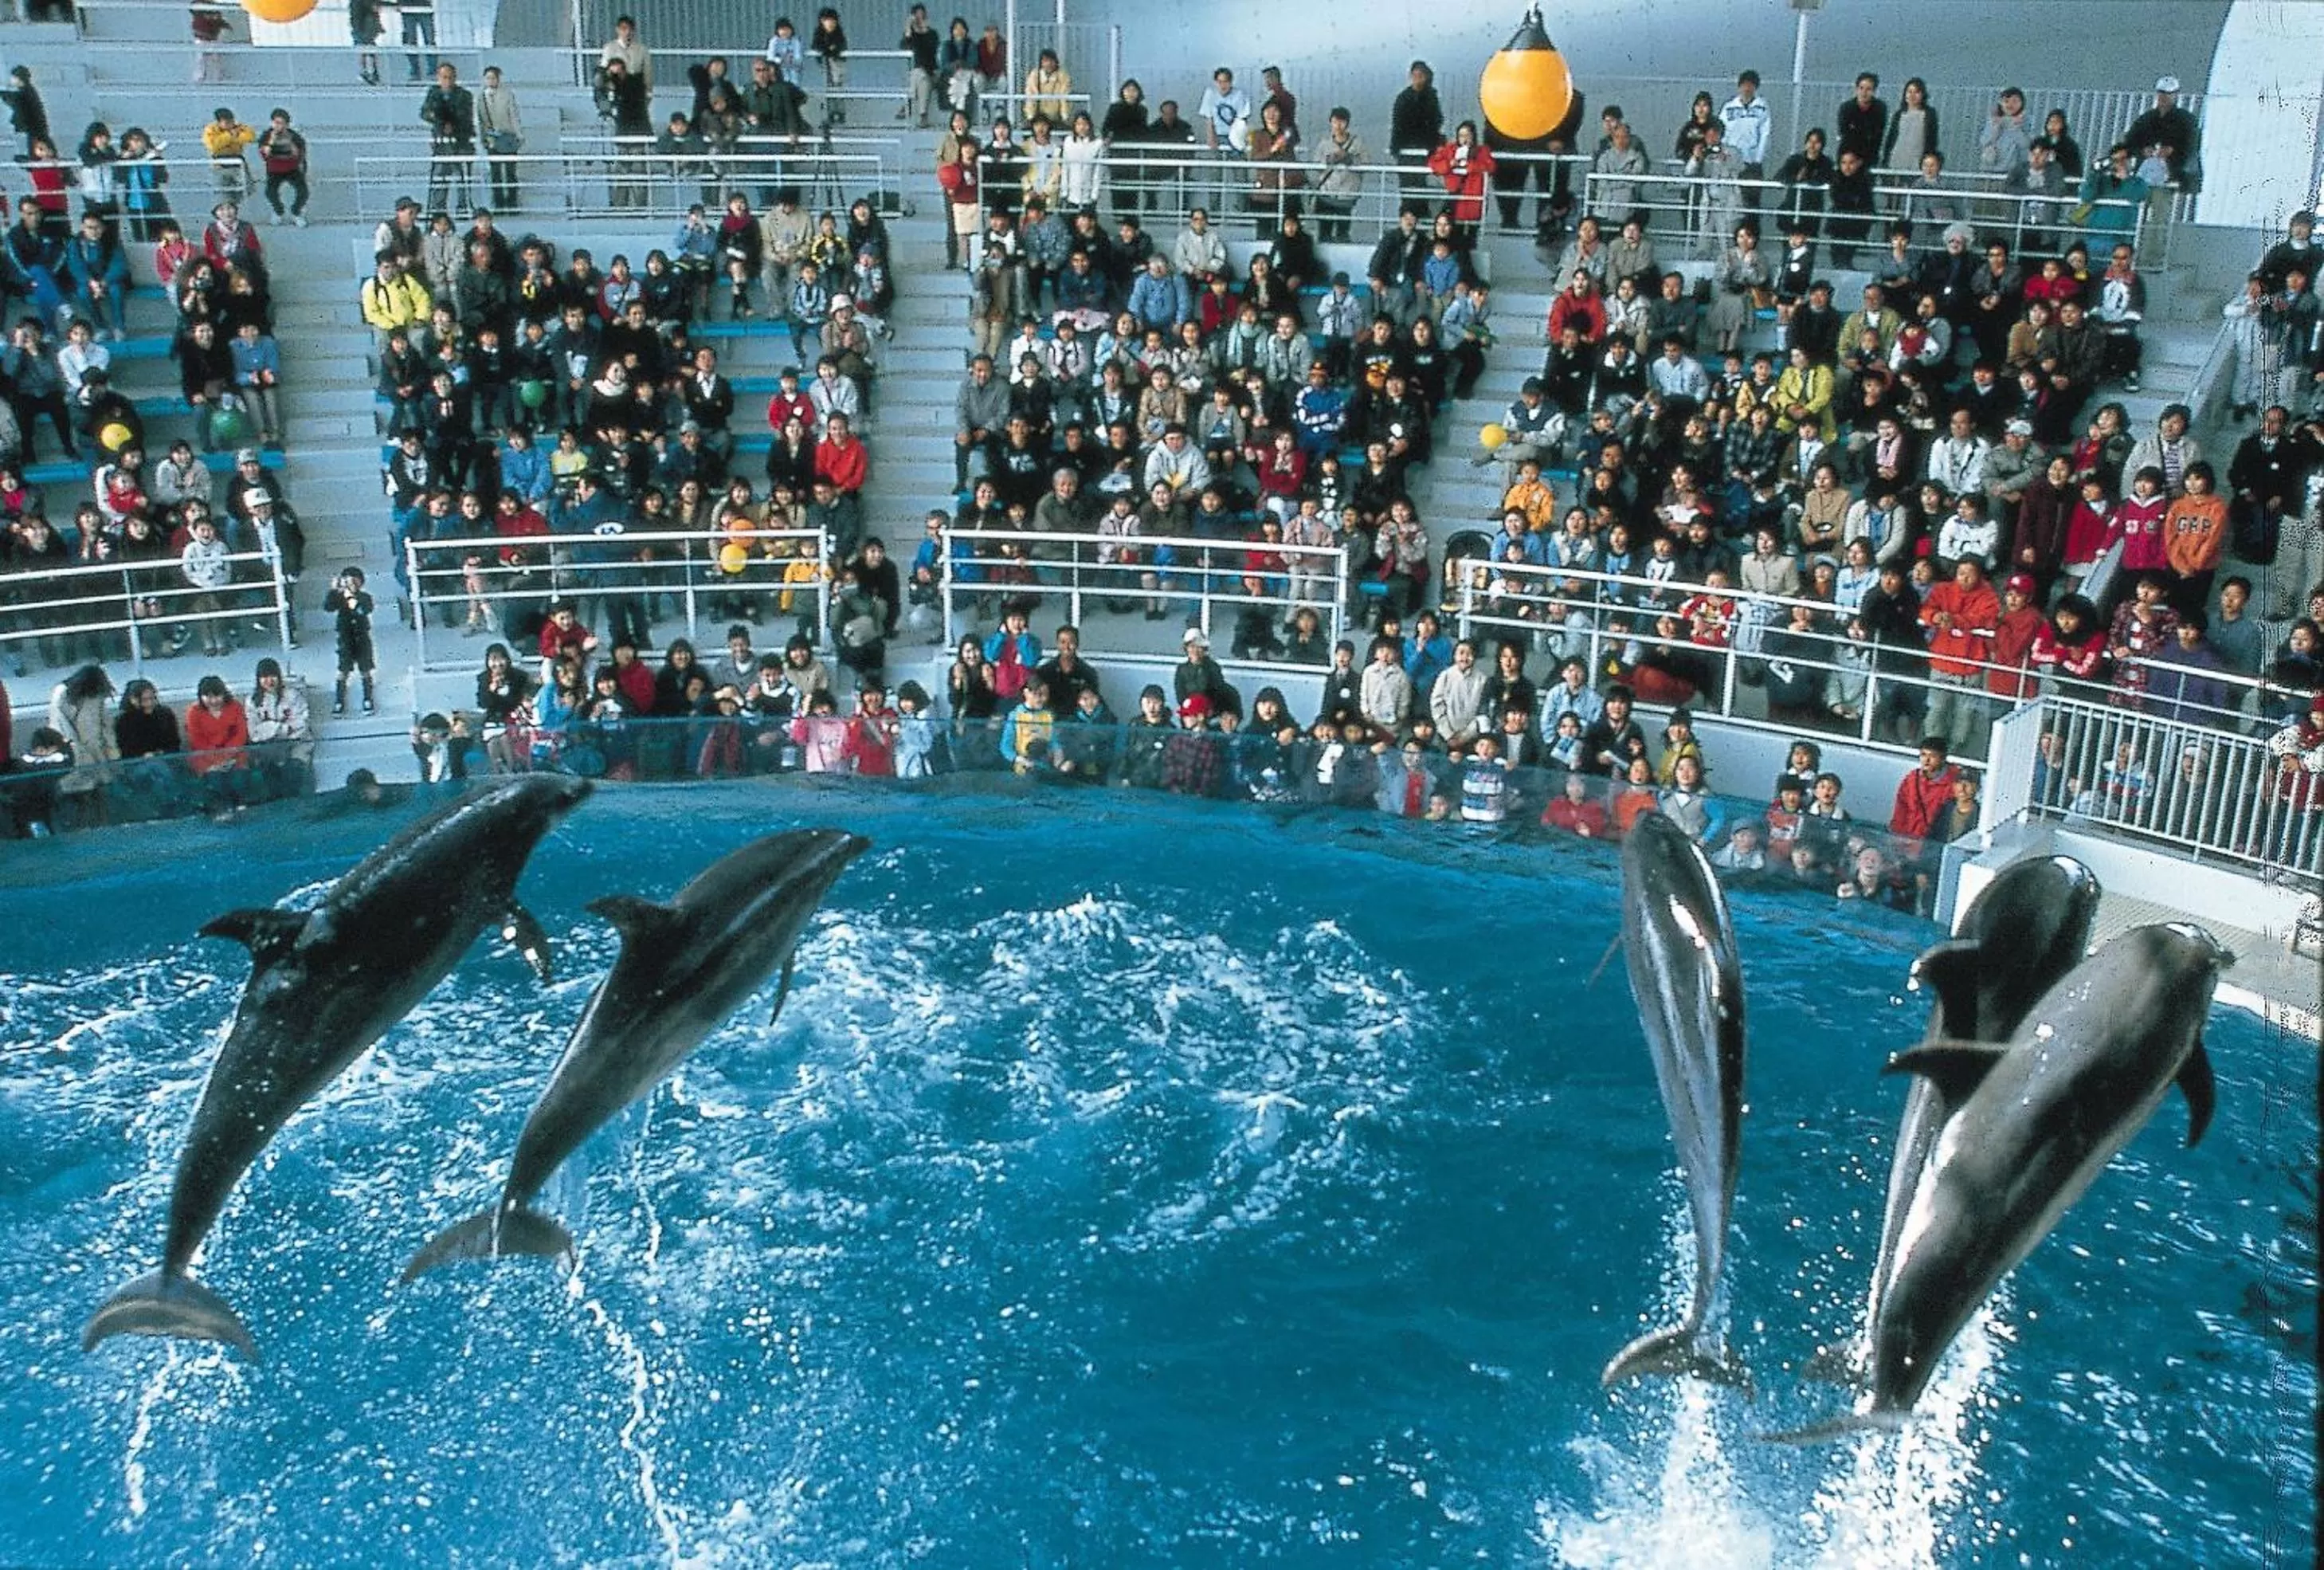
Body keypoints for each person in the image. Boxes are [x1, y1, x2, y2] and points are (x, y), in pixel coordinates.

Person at [420, 63, 476, 216]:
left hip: (461, 142)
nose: (448, 80)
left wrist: (452, 123)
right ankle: (438, 211)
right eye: (444, 77)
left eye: (451, 77)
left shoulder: (464, 95)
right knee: (440, 177)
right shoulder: (433, 93)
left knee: (462, 178)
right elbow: (425, 113)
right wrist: (438, 121)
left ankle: (463, 208)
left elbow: (465, 116)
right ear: (438, 78)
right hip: (441, 144)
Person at [325, 567, 377, 715]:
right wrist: (334, 591)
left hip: (362, 637)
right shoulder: (339, 597)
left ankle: (368, 698)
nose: (352, 583)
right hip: (345, 638)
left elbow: (362, 610)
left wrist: (350, 596)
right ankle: (339, 700)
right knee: (343, 670)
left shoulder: (365, 597)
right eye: (348, 579)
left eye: (355, 579)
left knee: (365, 669)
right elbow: (328, 607)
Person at [257, 108, 309, 227]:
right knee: (270, 192)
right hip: (274, 169)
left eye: (282, 123)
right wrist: (272, 140)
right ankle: (278, 211)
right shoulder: (266, 135)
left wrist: (290, 142)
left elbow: (298, 155)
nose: (278, 126)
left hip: (292, 168)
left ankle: (296, 212)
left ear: (287, 124)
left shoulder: (294, 136)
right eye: (276, 122)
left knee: (303, 192)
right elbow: (265, 154)